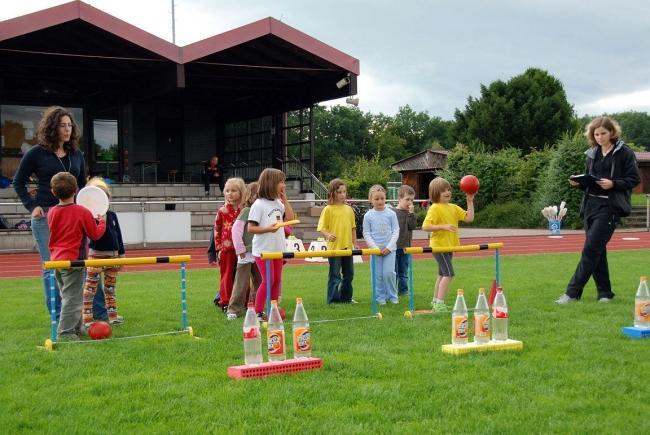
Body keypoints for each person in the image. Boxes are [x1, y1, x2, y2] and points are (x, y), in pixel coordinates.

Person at [12, 106, 107, 319]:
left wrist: (89, 210)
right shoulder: (36, 153)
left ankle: (99, 314)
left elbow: (82, 186)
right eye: (63, 125)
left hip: (75, 215)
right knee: (51, 268)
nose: (68, 129)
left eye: (70, 125)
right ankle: (57, 317)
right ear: (53, 128)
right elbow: (18, 182)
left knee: (84, 263)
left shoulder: (77, 154)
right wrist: (31, 205)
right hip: (46, 215)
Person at [556, 116, 640, 304]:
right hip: (590, 207)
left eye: (603, 133)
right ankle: (605, 293)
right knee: (597, 251)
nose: (600, 137)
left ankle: (572, 293)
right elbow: (592, 181)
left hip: (609, 208)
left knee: (590, 249)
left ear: (612, 132)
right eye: (596, 134)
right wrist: (580, 183)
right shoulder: (592, 153)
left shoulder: (625, 153)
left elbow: (634, 179)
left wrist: (614, 183)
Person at [47, 172, 106, 340]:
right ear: (76, 191)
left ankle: (77, 328)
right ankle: (65, 333)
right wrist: (101, 221)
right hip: (73, 261)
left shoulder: (52, 212)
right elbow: (94, 234)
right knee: (72, 300)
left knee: (71, 296)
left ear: (53, 192)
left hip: (57, 261)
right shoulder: (82, 212)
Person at [422, 177, 475, 312]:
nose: (447, 192)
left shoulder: (453, 207)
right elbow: (425, 226)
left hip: (450, 246)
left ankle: (435, 301)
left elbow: (470, 218)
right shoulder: (434, 208)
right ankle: (439, 303)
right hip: (439, 247)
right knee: (449, 274)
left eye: (448, 189)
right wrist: (443, 226)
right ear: (435, 193)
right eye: (443, 190)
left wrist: (469, 201)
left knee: (442, 274)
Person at [248, 168, 295, 318]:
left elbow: (289, 217)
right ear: (271, 183)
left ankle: (272, 308)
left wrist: (285, 199)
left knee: (277, 280)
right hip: (264, 250)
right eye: (281, 182)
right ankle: (258, 311)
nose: (284, 185)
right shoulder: (258, 205)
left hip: (278, 248)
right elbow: (251, 228)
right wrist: (268, 229)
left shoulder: (278, 203)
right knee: (269, 280)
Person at [81, 178, 125, 327]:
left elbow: (118, 234)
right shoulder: (89, 217)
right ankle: (87, 318)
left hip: (113, 256)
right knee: (90, 289)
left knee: (110, 289)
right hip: (96, 256)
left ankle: (112, 316)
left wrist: (121, 254)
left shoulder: (112, 215)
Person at [317, 178, 358, 304]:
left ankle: (346, 298)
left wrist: (355, 244)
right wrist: (328, 235)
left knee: (349, 274)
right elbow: (321, 228)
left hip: (347, 248)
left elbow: (353, 228)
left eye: (344, 192)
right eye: (339, 192)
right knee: (335, 275)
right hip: (334, 248)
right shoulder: (328, 209)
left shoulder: (349, 209)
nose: (342, 195)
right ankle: (333, 299)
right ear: (332, 193)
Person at [227, 182, 263, 320]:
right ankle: (234, 309)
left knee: (260, 281)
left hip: (259, 251)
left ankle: (257, 307)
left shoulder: (261, 211)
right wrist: (240, 248)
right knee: (241, 282)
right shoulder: (247, 211)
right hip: (246, 252)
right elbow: (236, 230)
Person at [210, 177, 244, 311]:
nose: (230, 193)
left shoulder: (245, 210)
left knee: (243, 276)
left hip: (242, 249)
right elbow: (216, 230)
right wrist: (218, 248)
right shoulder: (222, 211)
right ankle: (225, 301)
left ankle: (244, 300)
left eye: (234, 190)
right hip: (227, 249)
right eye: (227, 191)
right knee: (227, 275)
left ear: (241, 192)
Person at [363, 185, 400, 305]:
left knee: (389, 273)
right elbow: (366, 233)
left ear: (385, 198)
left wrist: (389, 247)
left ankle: (393, 296)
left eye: (382, 198)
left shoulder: (391, 214)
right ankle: (380, 298)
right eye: (377, 199)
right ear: (371, 200)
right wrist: (375, 248)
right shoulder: (368, 215)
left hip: (390, 250)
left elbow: (396, 231)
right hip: (375, 251)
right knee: (377, 275)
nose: (380, 201)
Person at [394, 185, 417, 296]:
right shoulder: (393, 213)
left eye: (412, 200)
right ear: (399, 199)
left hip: (405, 247)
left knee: (403, 271)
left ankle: (403, 291)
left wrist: (411, 214)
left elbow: (412, 226)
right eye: (407, 199)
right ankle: (392, 290)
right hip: (393, 247)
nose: (410, 202)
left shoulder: (410, 213)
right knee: (394, 271)